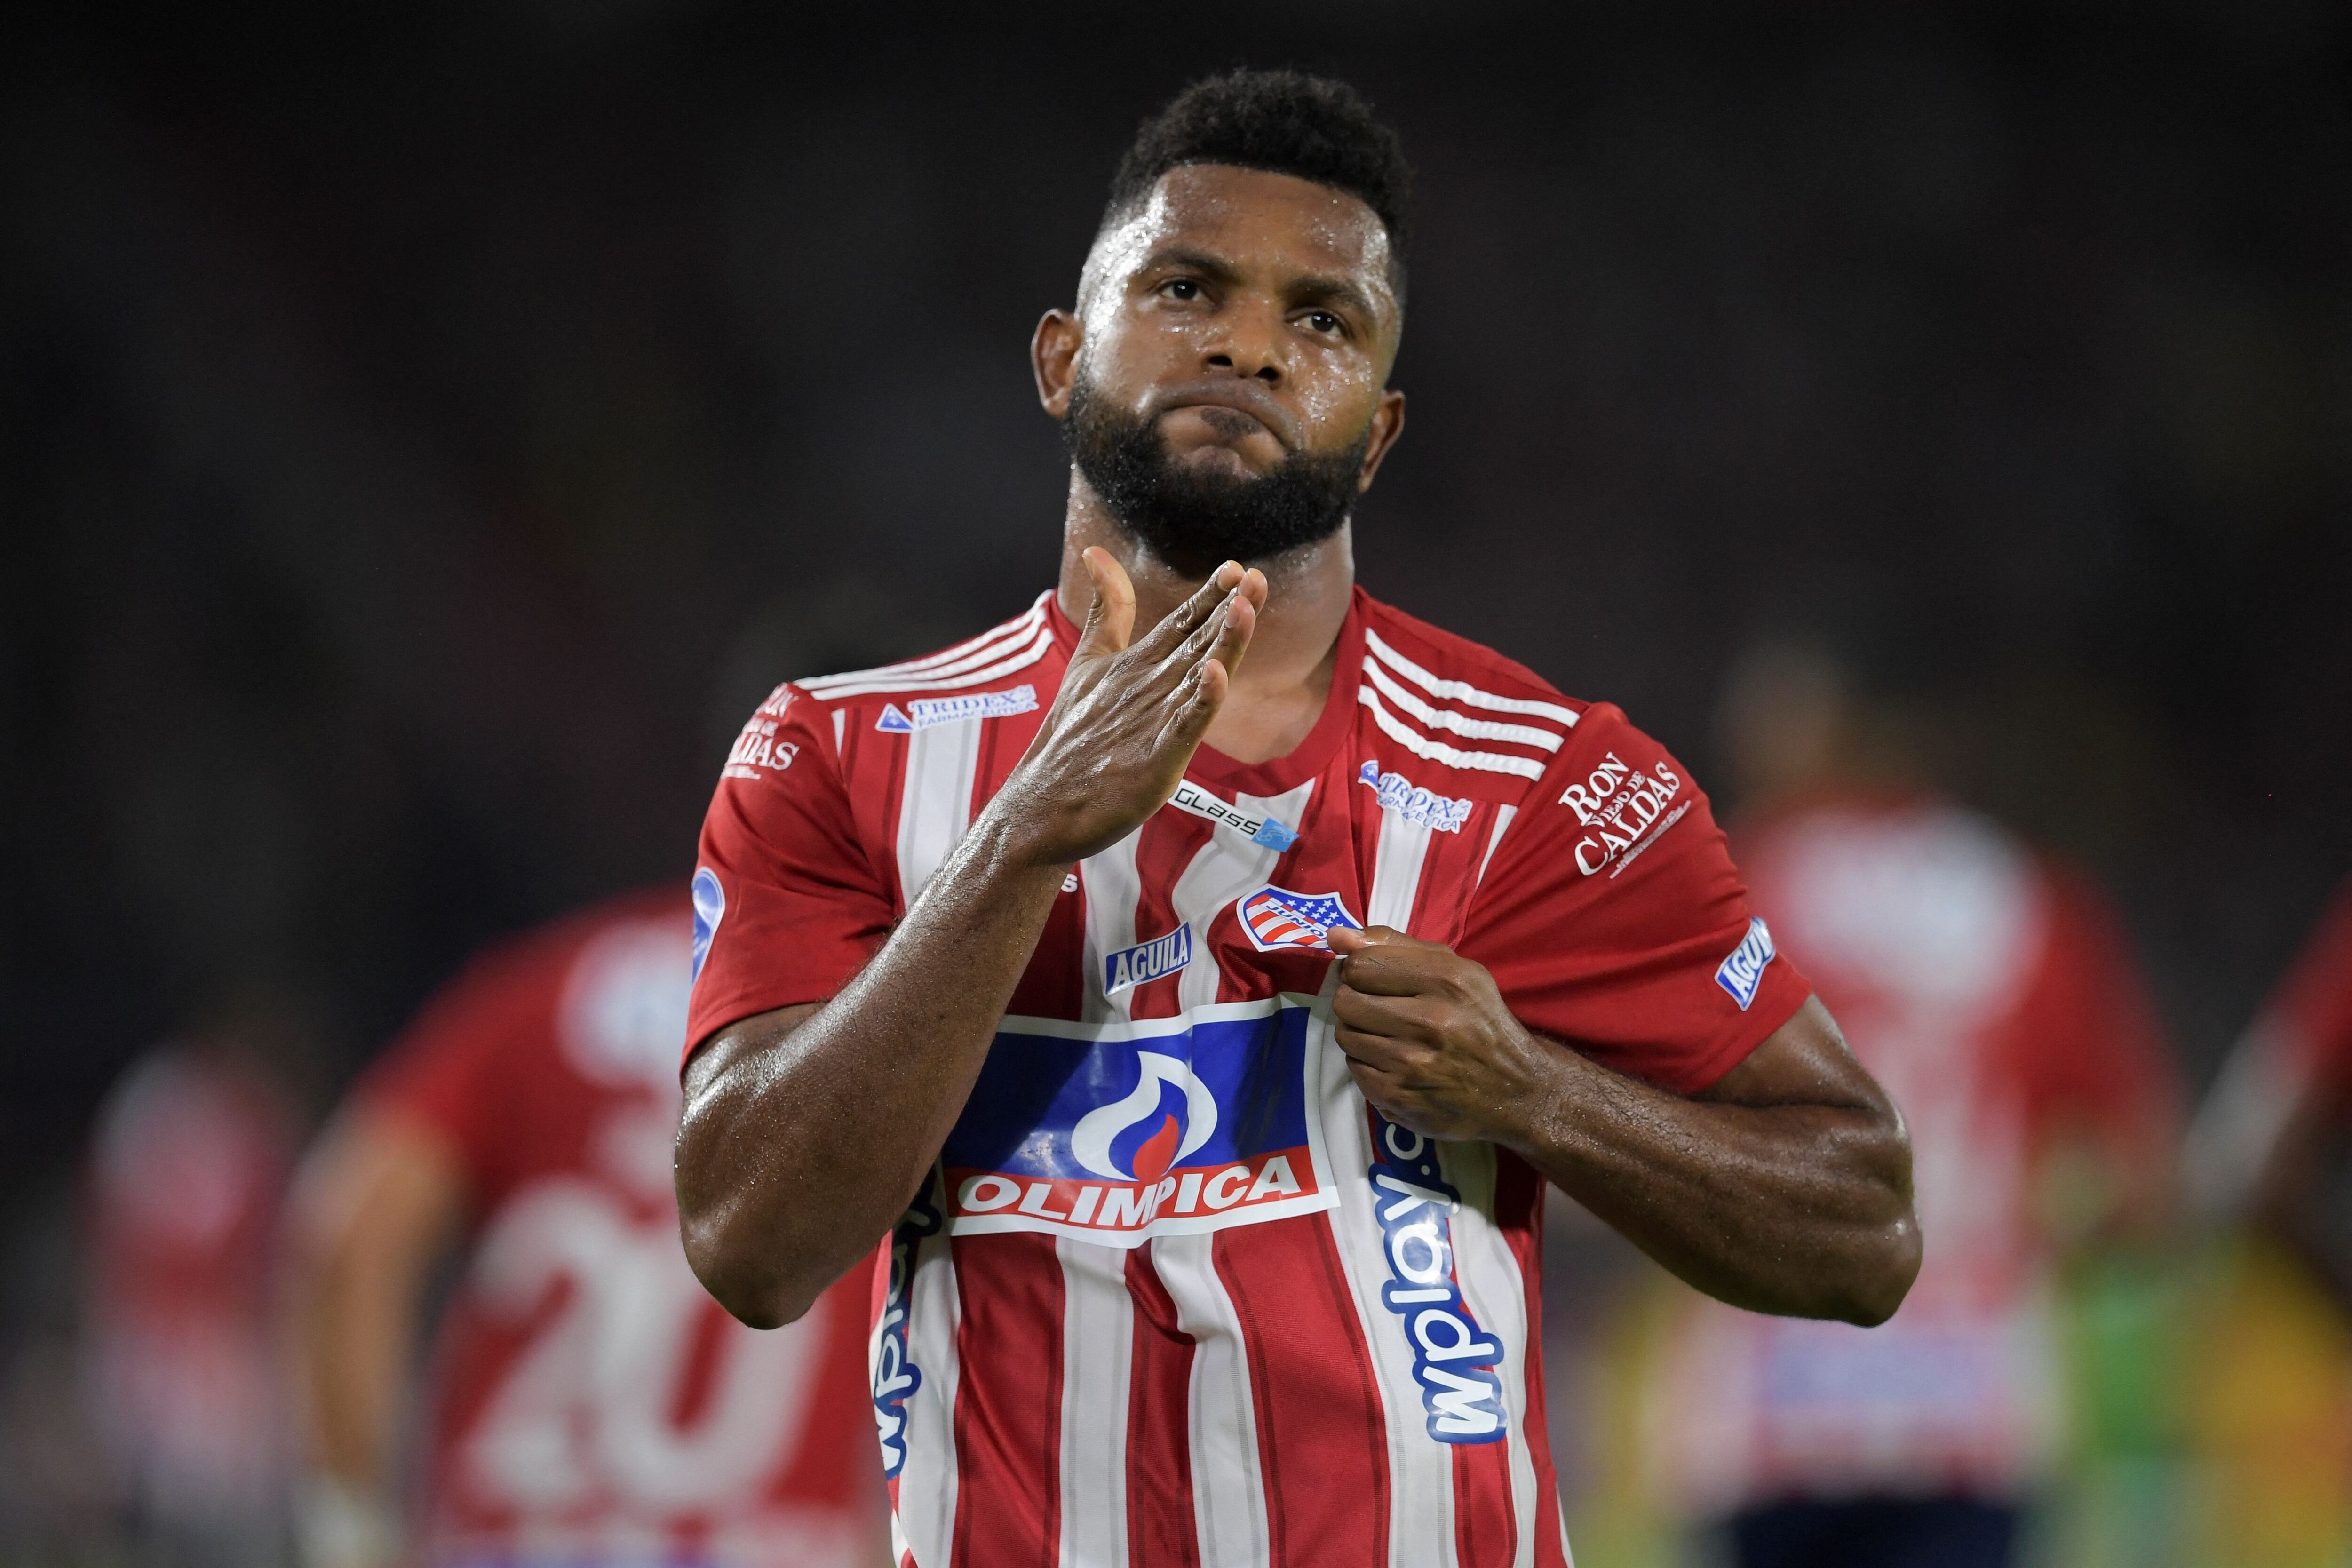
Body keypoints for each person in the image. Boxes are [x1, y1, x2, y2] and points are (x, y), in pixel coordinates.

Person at [675, 72, 1921, 1568]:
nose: (1251, 343)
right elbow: (750, 1239)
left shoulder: (1543, 783)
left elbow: (1863, 1222)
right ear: (1062, 358)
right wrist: (1021, 842)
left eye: (1322, 319)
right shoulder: (842, 753)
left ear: (1379, 432)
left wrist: (1533, 1091)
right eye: (1187, 286)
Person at [1638, 633, 2178, 1568]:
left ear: (1842, 725)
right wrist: (2006, 1250)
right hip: (1969, 1413)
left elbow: (1626, 1127)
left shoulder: (1735, 891)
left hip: (1770, 1415)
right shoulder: (2035, 902)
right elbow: (2148, 1190)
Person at [286, 888, 885, 1568]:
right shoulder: (883, 1006)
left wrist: (357, 1531)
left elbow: (348, 1236)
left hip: (510, 1542)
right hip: (771, 1545)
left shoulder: (541, 989)